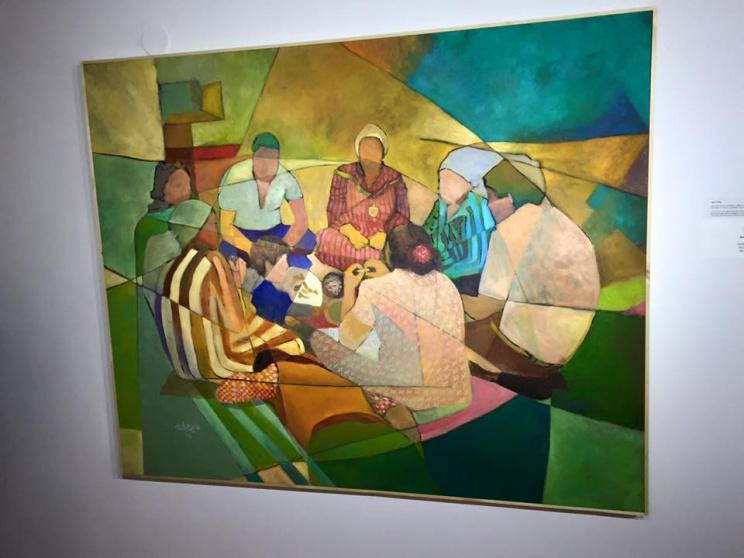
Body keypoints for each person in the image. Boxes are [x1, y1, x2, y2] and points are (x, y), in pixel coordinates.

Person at [311, 223, 472, 419]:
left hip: (417, 400)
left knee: (320, 340)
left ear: (389, 254)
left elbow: (348, 340)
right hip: (458, 395)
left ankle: (388, 405)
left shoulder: (375, 288)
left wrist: (350, 286)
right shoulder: (446, 282)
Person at [315, 124, 410, 270]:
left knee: (403, 245)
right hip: (350, 240)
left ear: (383, 152)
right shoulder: (344, 173)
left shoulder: (394, 178)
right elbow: (334, 211)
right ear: (358, 151)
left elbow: (402, 214)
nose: (370, 153)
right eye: (365, 148)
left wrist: (387, 234)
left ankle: (369, 262)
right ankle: (375, 263)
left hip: (382, 242)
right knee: (324, 238)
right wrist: (349, 231)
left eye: (375, 148)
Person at [218, 132, 315, 269]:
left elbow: (301, 220)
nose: (266, 165)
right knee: (228, 253)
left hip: (274, 234)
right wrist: (253, 249)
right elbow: (225, 228)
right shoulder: (235, 177)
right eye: (262, 157)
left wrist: (280, 249)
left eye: (272, 158)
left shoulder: (285, 177)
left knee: (309, 238)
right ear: (253, 157)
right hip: (242, 234)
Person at [422, 146, 501, 296]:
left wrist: (438, 272)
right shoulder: (440, 206)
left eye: (449, 180)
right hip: (434, 275)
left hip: (465, 284)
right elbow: (425, 234)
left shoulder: (478, 211)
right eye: (440, 180)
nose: (441, 186)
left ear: (469, 184)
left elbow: (475, 261)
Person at [134, 161, 192, 277]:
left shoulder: (184, 215)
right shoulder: (151, 223)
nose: (186, 190)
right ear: (162, 187)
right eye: (178, 186)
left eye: (188, 184)